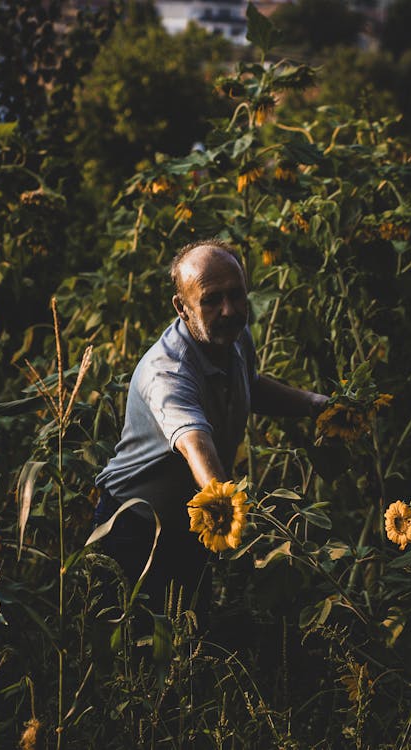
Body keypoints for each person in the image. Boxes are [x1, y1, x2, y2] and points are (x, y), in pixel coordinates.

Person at [94, 239, 327, 625]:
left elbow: (250, 385)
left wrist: (316, 405)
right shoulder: (167, 372)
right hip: (135, 530)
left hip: (194, 521)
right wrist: (229, 507)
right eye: (211, 299)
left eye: (237, 295)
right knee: (132, 654)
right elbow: (193, 441)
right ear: (182, 308)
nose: (229, 310)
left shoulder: (235, 335)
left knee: (190, 638)